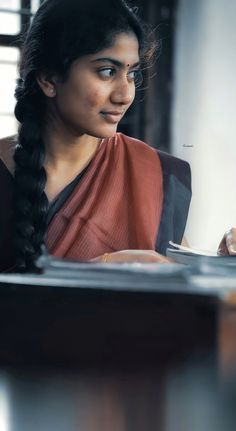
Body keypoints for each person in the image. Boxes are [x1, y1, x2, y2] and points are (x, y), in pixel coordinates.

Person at [0, 0, 233, 272]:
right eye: (107, 72)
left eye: (132, 74)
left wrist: (222, 265)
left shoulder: (154, 176)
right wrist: (101, 269)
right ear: (49, 79)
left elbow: (174, 292)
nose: (125, 95)